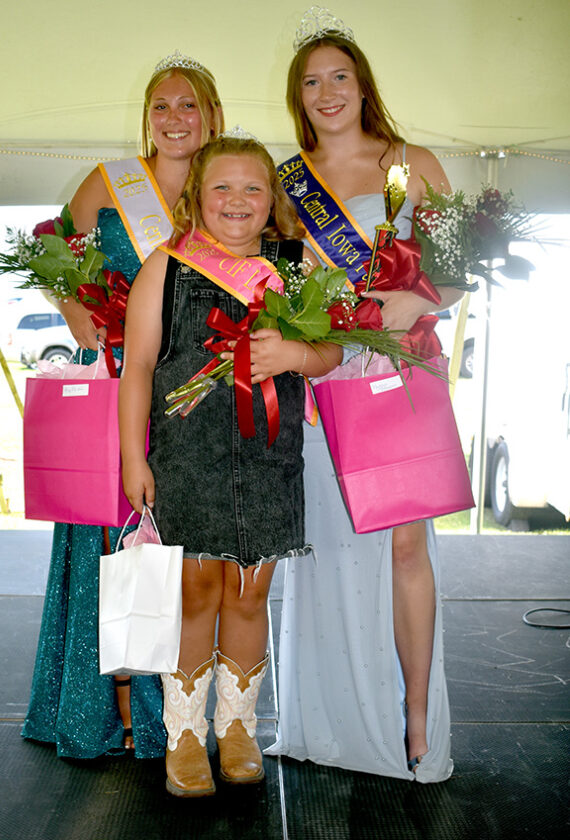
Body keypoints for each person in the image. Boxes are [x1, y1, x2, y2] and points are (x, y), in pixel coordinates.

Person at [264, 8, 463, 782]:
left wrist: (418, 300)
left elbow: (456, 271)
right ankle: (328, 721)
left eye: (339, 76)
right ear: (298, 97)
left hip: (399, 369)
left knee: (405, 545)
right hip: (322, 375)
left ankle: (414, 718)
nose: (327, 92)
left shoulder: (408, 164)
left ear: (363, 83)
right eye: (311, 82)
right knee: (329, 548)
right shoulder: (289, 185)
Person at [118, 133, 342, 797]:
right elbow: (137, 369)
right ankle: (185, 734)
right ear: (197, 196)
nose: (236, 200)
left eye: (252, 188)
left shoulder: (296, 265)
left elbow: (333, 349)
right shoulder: (165, 266)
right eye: (222, 187)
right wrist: (133, 456)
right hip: (188, 461)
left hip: (269, 462)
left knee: (249, 594)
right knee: (194, 595)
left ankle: (237, 726)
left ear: (272, 201)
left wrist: (295, 356)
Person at [21, 51, 224, 759]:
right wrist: (71, 309)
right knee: (105, 538)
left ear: (212, 116)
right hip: (112, 378)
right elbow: (52, 254)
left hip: (188, 391)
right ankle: (100, 705)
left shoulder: (225, 187)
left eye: (188, 104)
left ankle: (175, 710)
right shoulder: (109, 182)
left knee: (173, 542)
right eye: (161, 106)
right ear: (147, 117)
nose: (174, 118)